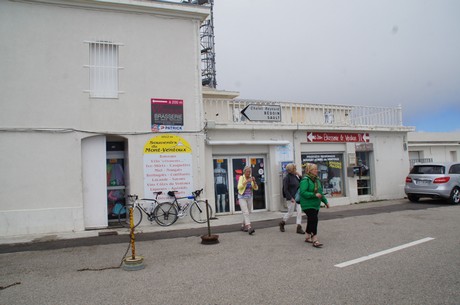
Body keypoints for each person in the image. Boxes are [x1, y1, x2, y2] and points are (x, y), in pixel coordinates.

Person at [299, 163, 329, 248]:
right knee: (314, 220)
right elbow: (303, 192)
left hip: (316, 204)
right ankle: (314, 239)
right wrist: (314, 194)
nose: (317, 170)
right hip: (307, 204)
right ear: (309, 171)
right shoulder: (305, 180)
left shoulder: (317, 180)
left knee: (311, 220)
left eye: (316, 169)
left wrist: (325, 202)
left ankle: (307, 236)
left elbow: (320, 192)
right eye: (314, 169)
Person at [279, 163, 305, 234]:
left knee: (299, 211)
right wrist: (290, 198)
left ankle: (299, 227)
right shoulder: (286, 178)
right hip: (291, 198)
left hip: (297, 197)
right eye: (295, 168)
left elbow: (301, 183)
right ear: (291, 170)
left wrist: (300, 176)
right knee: (290, 213)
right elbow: (285, 189)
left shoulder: (295, 176)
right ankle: (282, 222)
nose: (296, 170)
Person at [237, 165, 258, 235]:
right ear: (244, 171)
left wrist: (254, 182)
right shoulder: (241, 178)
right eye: (247, 171)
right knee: (245, 212)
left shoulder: (251, 178)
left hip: (249, 197)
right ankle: (249, 227)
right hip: (242, 197)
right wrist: (246, 181)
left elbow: (256, 188)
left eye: (250, 171)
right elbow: (239, 187)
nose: (249, 173)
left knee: (248, 212)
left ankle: (243, 225)